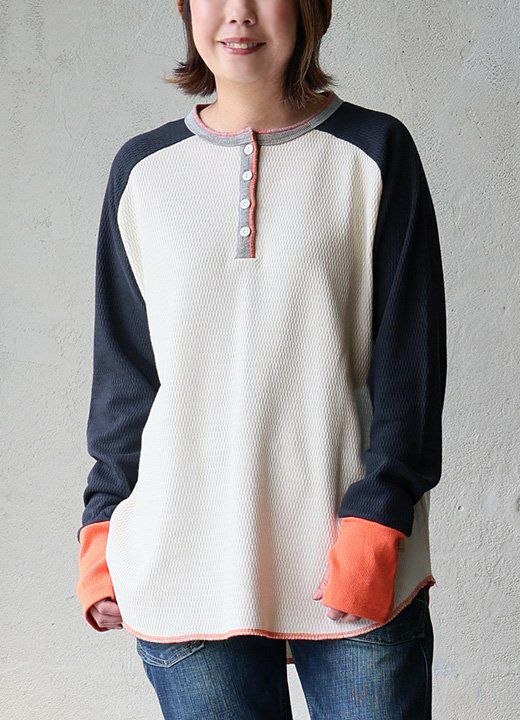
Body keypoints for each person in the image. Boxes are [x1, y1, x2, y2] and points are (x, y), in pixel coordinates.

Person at [74, 0, 447, 717]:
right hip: (182, 562)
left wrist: (380, 517)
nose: (237, 14)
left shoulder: (375, 151)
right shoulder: (143, 171)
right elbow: (125, 376)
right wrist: (101, 527)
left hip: (352, 556)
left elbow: (412, 366)